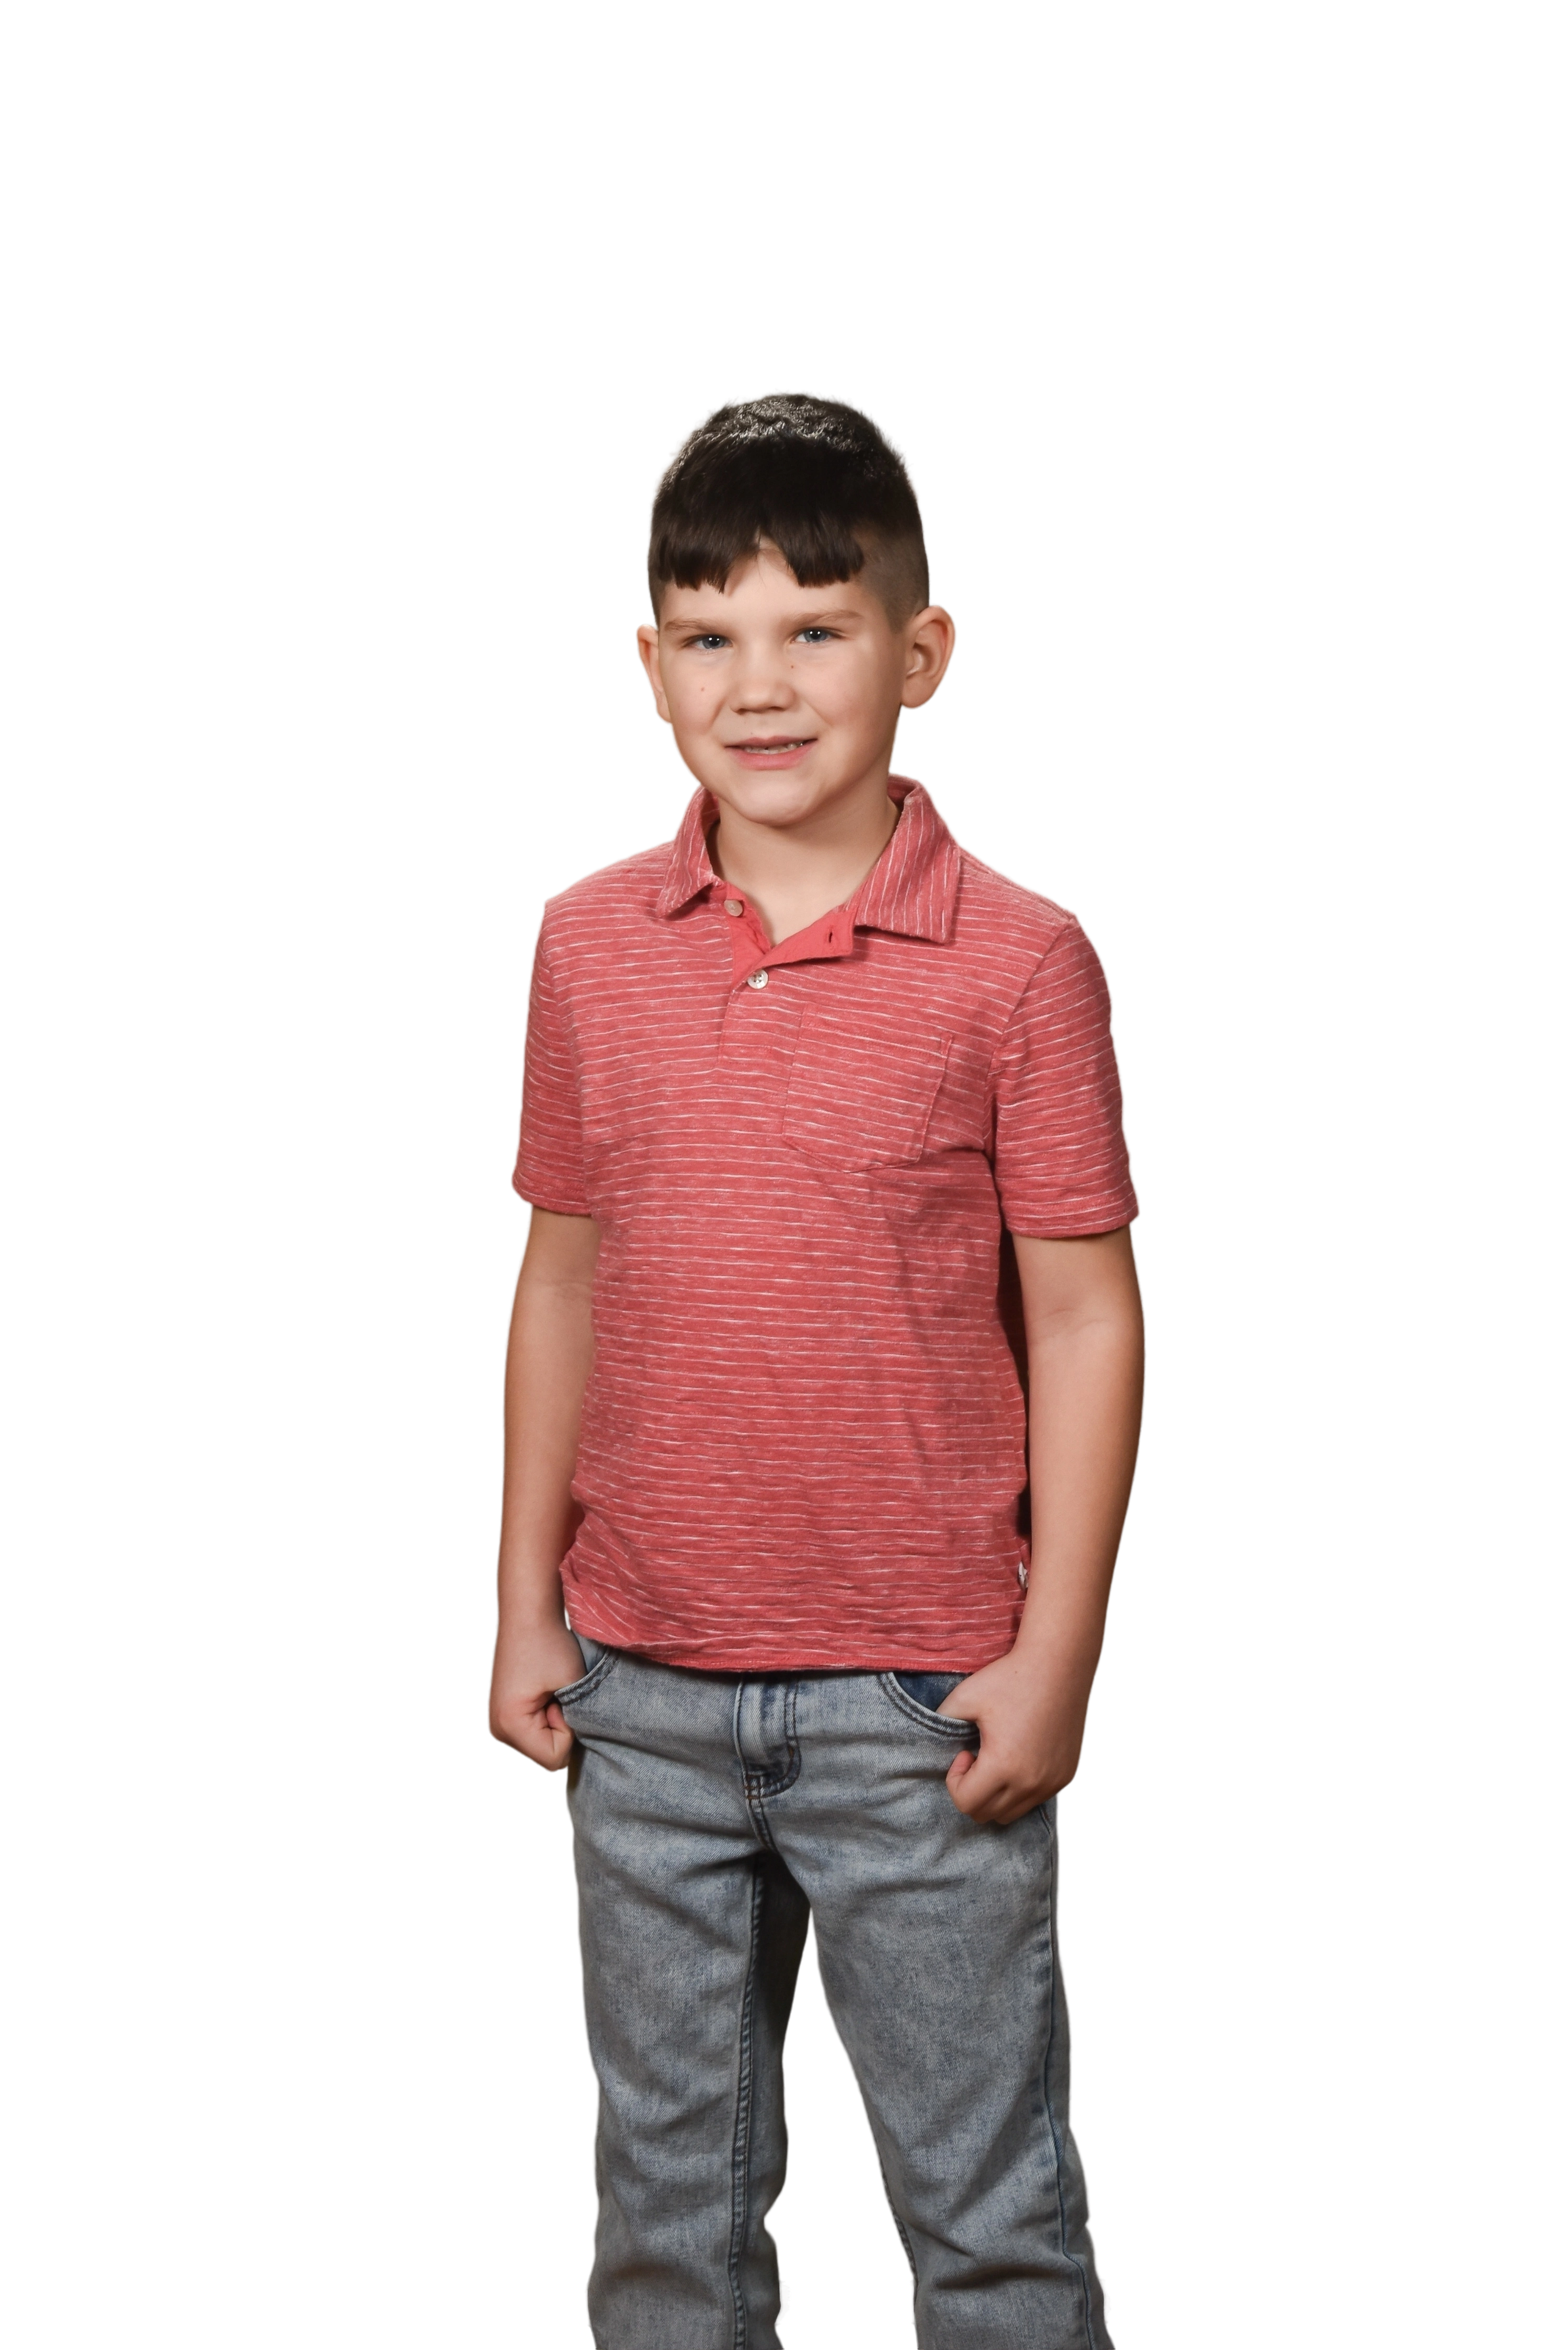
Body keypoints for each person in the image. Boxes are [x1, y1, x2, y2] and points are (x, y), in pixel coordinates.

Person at [486, 386, 1147, 2350]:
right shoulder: (586, 943)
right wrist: (525, 1603)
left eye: (816, 627)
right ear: (651, 665)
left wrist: (1059, 1650)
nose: (758, 686)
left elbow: (1088, 1317)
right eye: (710, 635)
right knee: (667, 2225)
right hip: (643, 1698)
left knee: (991, 2217)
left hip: (920, 1703)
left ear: (922, 653)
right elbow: (562, 1280)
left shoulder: (1022, 961)